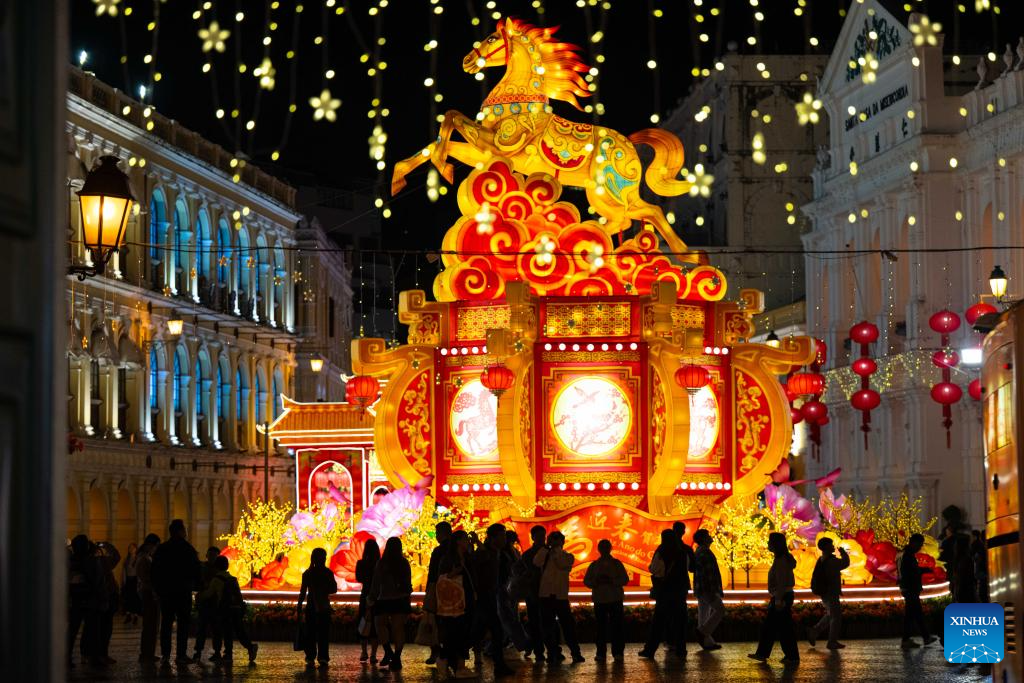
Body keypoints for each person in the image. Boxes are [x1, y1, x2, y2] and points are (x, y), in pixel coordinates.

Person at [151, 519, 201, 663]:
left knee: (166, 623)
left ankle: (166, 654)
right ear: (180, 531)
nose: (185, 532)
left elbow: (155, 571)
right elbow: (196, 570)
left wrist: (158, 590)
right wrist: (198, 587)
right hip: (183, 591)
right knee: (183, 624)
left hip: (166, 592)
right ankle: (181, 655)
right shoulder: (187, 549)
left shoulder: (162, 549)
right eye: (184, 529)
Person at [748, 533, 799, 664]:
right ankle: (769, 654)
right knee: (776, 627)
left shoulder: (781, 560)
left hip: (781, 597)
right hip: (782, 596)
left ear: (776, 544)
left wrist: (778, 600)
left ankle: (789, 656)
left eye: (770, 541)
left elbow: (781, 582)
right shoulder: (782, 559)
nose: (767, 544)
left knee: (778, 627)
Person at [534, 530, 584, 664]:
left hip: (560, 596)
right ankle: (552, 653)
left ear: (563, 542)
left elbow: (563, 564)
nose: (555, 542)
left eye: (558, 540)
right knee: (548, 626)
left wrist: (555, 550)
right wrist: (546, 547)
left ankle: (575, 653)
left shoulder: (568, 556)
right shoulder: (544, 553)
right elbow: (536, 562)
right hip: (545, 595)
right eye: (552, 539)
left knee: (568, 626)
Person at [471, 523, 514, 676]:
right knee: (496, 631)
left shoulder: (498, 552)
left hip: (491, 596)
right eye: (501, 536)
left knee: (479, 632)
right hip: (483, 597)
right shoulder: (485, 553)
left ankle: (451, 654)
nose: (504, 539)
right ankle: (499, 666)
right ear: (492, 537)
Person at [639, 529, 688, 660]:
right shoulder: (682, 552)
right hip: (679, 592)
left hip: (665, 592)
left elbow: (654, 569)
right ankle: (681, 650)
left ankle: (650, 650)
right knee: (679, 622)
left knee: (658, 622)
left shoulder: (661, 551)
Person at [201, 555, 258, 664]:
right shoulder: (233, 579)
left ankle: (228, 654)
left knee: (227, 631)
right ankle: (250, 647)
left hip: (224, 609)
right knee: (238, 630)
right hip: (235, 608)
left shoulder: (216, 580)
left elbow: (209, 594)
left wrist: (200, 596)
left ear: (216, 567)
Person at [436, 530, 477, 679]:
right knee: (454, 633)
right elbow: (442, 578)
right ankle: (450, 661)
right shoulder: (449, 559)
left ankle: (457, 664)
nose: (467, 542)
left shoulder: (466, 557)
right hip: (453, 603)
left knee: (463, 632)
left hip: (466, 599)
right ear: (458, 541)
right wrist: (454, 573)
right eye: (465, 539)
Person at [369, 537, 413, 671]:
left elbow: (376, 584)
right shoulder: (404, 563)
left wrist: (371, 598)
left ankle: (388, 651)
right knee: (398, 628)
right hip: (400, 599)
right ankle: (397, 657)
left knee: (379, 624)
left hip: (383, 599)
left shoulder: (382, 563)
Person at [583, 539, 628, 661]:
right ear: (599, 549)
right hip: (602, 599)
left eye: (606, 547)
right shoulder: (594, 565)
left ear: (609, 548)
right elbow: (587, 581)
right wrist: (596, 582)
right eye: (602, 547)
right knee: (601, 628)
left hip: (613, 598)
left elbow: (625, 579)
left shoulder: (616, 564)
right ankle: (601, 653)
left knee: (615, 627)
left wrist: (611, 581)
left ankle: (616, 652)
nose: (604, 549)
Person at [297, 547, 339, 668]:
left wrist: (299, 606)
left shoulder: (307, 573)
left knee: (311, 633)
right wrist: (324, 589)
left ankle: (310, 656)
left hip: (311, 606)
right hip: (324, 606)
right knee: (323, 634)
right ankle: (323, 657)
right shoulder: (327, 573)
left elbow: (303, 592)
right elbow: (334, 589)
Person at [807, 536, 850, 650]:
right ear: (826, 547)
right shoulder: (831, 561)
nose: (832, 546)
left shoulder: (822, 559)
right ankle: (832, 641)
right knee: (836, 617)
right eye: (830, 544)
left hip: (825, 592)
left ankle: (815, 631)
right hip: (830, 592)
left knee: (831, 614)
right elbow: (845, 563)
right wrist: (843, 553)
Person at [899, 533, 938, 649]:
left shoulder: (907, 555)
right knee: (915, 614)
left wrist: (921, 570)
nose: (920, 547)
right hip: (911, 589)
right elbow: (909, 573)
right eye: (919, 545)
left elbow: (910, 571)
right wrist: (921, 571)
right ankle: (920, 638)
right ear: (914, 543)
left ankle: (915, 638)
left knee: (913, 614)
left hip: (910, 588)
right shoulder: (907, 556)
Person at [67, 534, 100, 668]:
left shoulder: (70, 561)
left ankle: (66, 656)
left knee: (72, 630)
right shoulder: (91, 560)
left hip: (75, 599)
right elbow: (97, 580)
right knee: (91, 630)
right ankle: (88, 656)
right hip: (89, 598)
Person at [424, 522, 452, 665]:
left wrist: (429, 588)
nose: (436, 537)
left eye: (437, 534)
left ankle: (437, 651)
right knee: (450, 621)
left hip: (439, 589)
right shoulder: (457, 548)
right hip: (454, 592)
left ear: (442, 533)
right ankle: (448, 652)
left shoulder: (439, 551)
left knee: (436, 622)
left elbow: (433, 572)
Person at [518, 525, 547, 660]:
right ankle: (538, 651)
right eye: (539, 536)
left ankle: (550, 650)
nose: (542, 539)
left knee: (547, 621)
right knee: (535, 622)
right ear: (533, 537)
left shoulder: (549, 552)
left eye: (544, 536)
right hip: (534, 592)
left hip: (548, 591)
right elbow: (525, 573)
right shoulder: (528, 555)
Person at [692, 529, 724, 650]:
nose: (710, 537)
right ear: (704, 539)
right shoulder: (705, 552)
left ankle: (707, 643)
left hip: (701, 588)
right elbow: (708, 573)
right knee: (720, 610)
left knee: (703, 616)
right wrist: (713, 590)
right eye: (708, 535)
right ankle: (702, 632)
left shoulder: (700, 552)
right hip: (707, 588)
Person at [93, 541, 122, 665]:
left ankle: (98, 655)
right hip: (105, 598)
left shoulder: (92, 562)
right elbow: (116, 556)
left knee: (101, 628)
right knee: (104, 629)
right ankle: (101, 655)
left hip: (102, 598)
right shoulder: (102, 562)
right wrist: (105, 544)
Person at [193, 547, 223, 662]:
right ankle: (198, 651)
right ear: (207, 556)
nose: (212, 558)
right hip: (205, 602)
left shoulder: (217, 569)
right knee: (202, 627)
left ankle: (216, 651)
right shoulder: (202, 568)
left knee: (215, 628)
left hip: (214, 602)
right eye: (210, 555)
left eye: (214, 555)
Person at [135, 533, 161, 662]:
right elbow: (147, 577)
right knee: (151, 624)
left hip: (146, 592)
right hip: (149, 593)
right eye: (156, 546)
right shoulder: (145, 558)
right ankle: (147, 653)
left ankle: (148, 652)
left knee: (150, 625)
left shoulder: (143, 557)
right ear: (151, 545)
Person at [356, 539, 381, 664]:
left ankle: (364, 651)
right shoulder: (380, 564)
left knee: (364, 622)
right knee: (375, 626)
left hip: (365, 594)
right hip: (377, 596)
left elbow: (358, 578)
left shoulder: (361, 563)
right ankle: (374, 655)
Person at [952, 534, 978, 603]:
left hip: (960, 589)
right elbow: (969, 576)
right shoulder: (967, 559)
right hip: (966, 590)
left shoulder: (958, 559)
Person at [122, 543, 141, 626]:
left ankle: (136, 616)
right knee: (128, 598)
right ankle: (128, 615)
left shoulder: (138, 559)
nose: (131, 549)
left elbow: (139, 571)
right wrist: (123, 580)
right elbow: (124, 571)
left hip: (135, 580)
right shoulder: (126, 559)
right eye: (129, 548)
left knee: (135, 598)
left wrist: (139, 582)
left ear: (136, 549)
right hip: (128, 580)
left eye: (132, 548)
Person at [971, 530, 989, 602]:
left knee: (982, 592)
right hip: (983, 573)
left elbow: (979, 561)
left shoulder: (978, 546)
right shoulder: (982, 546)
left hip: (982, 573)